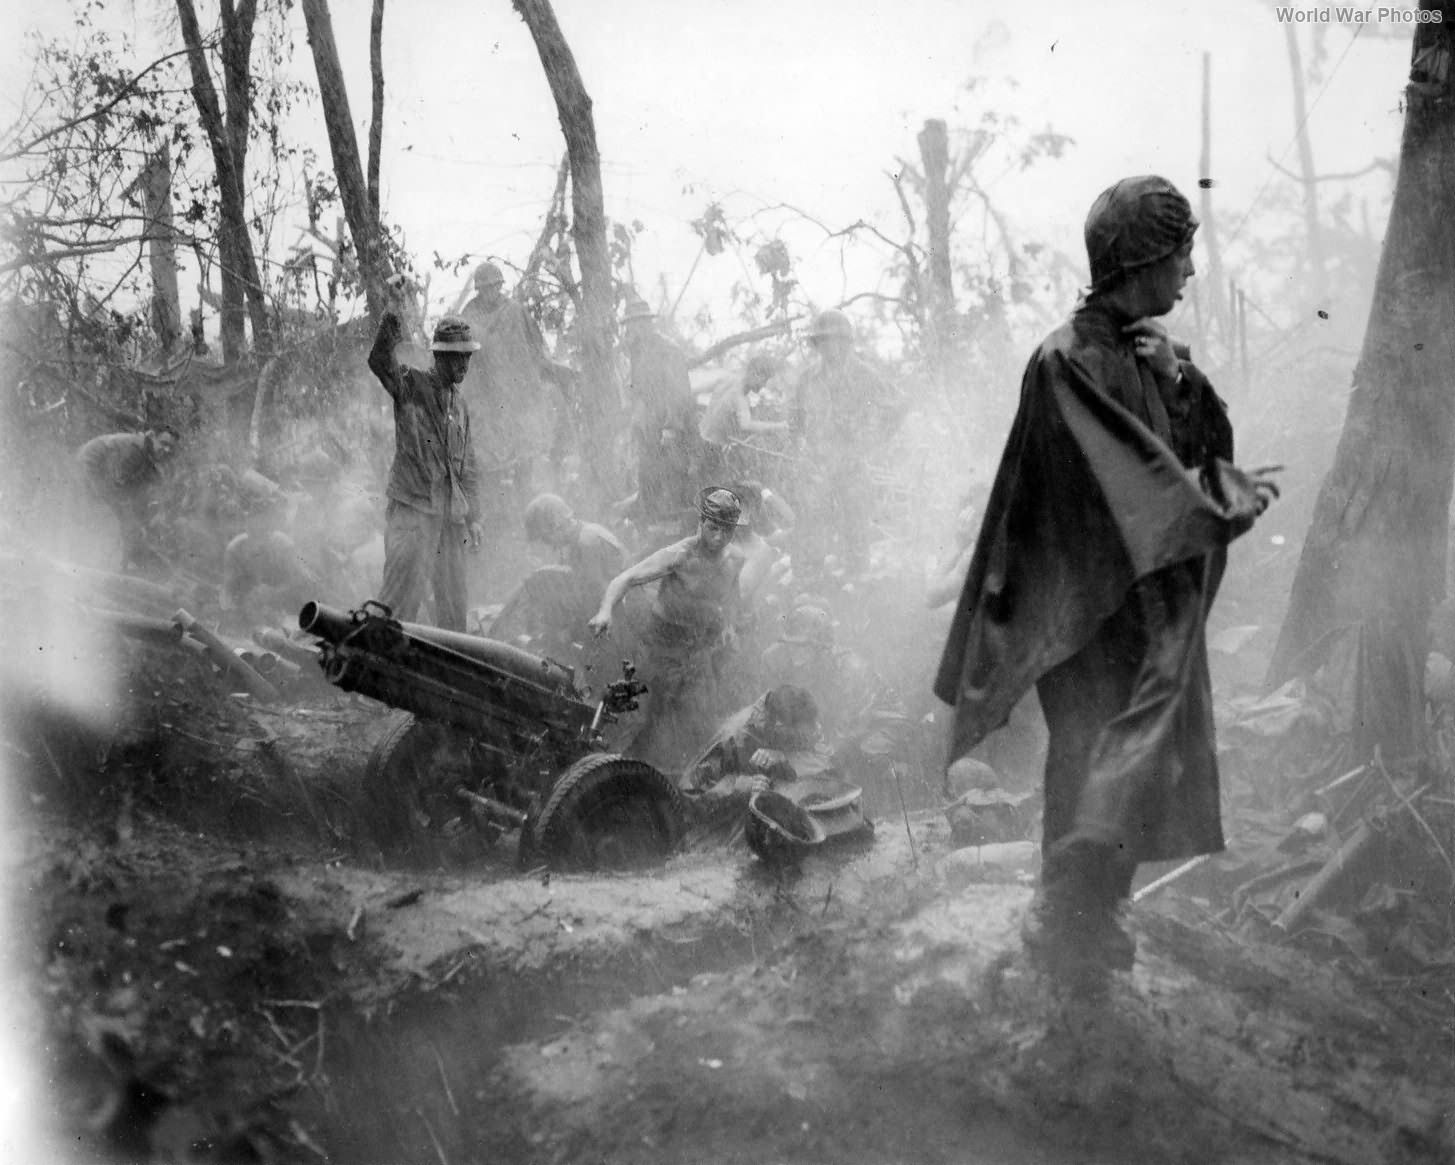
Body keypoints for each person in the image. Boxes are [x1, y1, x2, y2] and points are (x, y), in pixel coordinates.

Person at [933, 175, 1279, 988]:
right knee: (1088, 754)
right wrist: (1199, 510)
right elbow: (1117, 482)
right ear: (1143, 257)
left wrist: (1180, 384)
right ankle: (1062, 928)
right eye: (1182, 252)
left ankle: (1096, 918)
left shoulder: (1147, 352)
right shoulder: (1065, 360)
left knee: (1141, 761)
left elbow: (1198, 450)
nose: (1190, 272)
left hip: (1140, 608)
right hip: (1082, 611)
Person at [589, 486, 750, 772]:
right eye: (713, 528)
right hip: (660, 646)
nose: (719, 537)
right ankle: (605, 770)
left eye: (727, 531)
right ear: (700, 522)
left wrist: (728, 625)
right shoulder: (680, 555)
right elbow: (624, 579)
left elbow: (732, 594)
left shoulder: (735, 559)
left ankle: (686, 785)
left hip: (698, 651)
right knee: (637, 718)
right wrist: (604, 612)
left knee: (700, 723)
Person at [367, 311, 485, 631]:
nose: (463, 365)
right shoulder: (410, 384)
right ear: (438, 356)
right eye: (455, 357)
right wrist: (390, 313)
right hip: (413, 513)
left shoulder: (460, 406)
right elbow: (379, 360)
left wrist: (473, 517)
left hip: (450, 520)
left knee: (454, 609)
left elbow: (468, 465)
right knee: (397, 604)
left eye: (467, 357)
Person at [789, 308, 906, 574]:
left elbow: (896, 406)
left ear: (846, 341)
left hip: (852, 464)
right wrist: (800, 447)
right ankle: (815, 585)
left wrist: (874, 440)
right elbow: (793, 417)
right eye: (823, 340)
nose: (829, 346)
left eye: (835, 339)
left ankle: (857, 586)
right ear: (817, 344)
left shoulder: (865, 374)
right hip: (817, 465)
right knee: (813, 529)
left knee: (856, 528)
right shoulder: (808, 377)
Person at [458, 261, 574, 498]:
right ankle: (494, 506)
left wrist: (546, 371)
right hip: (486, 395)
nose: (491, 292)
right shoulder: (468, 317)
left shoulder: (515, 311)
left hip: (518, 392)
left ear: (500, 286)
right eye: (485, 288)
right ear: (479, 290)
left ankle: (525, 497)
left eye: (494, 286)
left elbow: (535, 346)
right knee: (486, 455)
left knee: (525, 448)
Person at [488, 493, 628, 660]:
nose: (549, 546)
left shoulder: (587, 544)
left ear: (556, 527)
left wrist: (569, 634)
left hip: (621, 619)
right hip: (610, 611)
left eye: (546, 539)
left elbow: (597, 600)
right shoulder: (577, 539)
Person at [680, 685, 824, 843]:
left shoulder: (804, 722)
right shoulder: (734, 737)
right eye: (794, 737)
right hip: (733, 828)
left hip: (788, 820)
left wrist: (785, 759)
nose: (800, 740)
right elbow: (689, 798)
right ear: (778, 726)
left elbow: (825, 759)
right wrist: (742, 786)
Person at [620, 296, 703, 528]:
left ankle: (676, 529)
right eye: (629, 324)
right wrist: (637, 418)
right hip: (650, 428)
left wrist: (671, 427)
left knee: (673, 477)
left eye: (636, 323)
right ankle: (651, 526)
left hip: (673, 428)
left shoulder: (667, 350)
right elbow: (639, 390)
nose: (632, 328)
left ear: (647, 323)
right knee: (649, 477)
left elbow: (678, 393)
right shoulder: (637, 351)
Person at [76, 427, 179, 571]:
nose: (166, 450)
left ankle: (120, 562)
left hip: (96, 467)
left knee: (125, 518)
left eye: (170, 448)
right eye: (163, 443)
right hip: (90, 463)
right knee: (115, 517)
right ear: (153, 436)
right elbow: (120, 482)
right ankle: (111, 564)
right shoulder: (135, 449)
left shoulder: (144, 451)